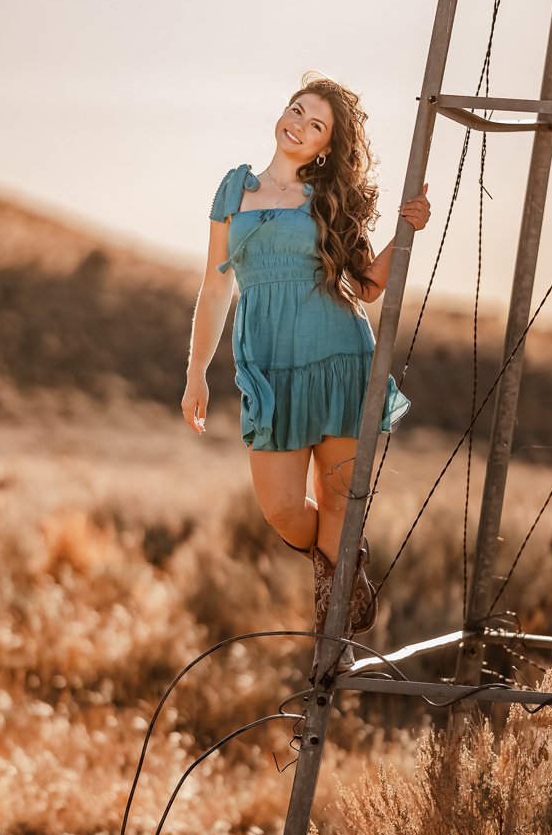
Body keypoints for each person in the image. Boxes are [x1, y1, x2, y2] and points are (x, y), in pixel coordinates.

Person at [181, 73, 431, 673]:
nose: (299, 124)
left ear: (326, 146)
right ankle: (344, 566)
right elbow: (215, 290)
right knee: (281, 508)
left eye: (316, 124)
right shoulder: (233, 189)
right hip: (270, 368)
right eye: (296, 110)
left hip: (341, 358)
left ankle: (331, 641)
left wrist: (406, 232)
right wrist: (196, 371)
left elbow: (367, 286)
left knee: (343, 505)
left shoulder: (329, 199)